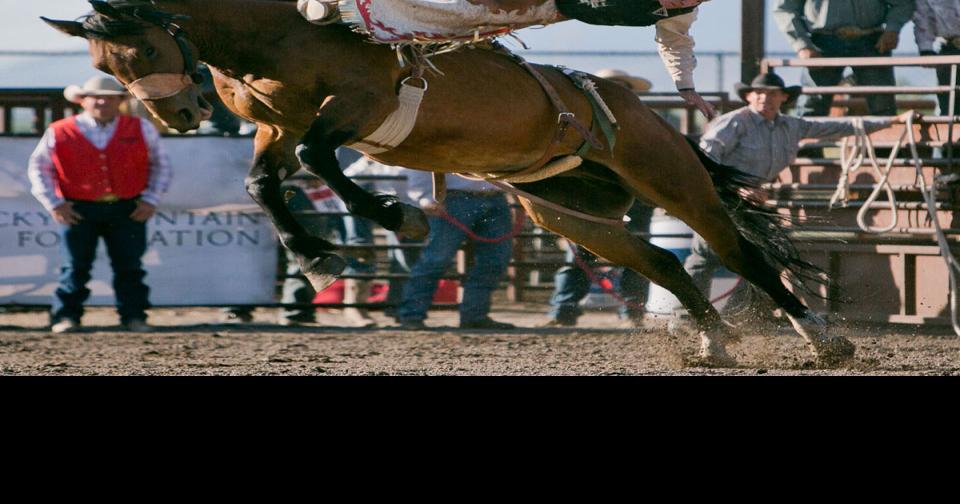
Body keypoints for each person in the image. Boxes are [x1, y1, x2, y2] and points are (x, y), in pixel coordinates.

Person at [675, 72, 918, 326]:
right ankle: (686, 316)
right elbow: (702, 162)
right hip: (719, 197)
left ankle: (740, 314)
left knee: (773, 251)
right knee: (706, 252)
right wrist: (735, 189)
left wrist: (892, 120)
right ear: (749, 96)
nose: (764, 98)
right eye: (759, 93)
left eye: (771, 93)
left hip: (752, 201)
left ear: (784, 97)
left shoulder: (792, 126)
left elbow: (840, 127)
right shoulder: (732, 123)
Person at [297, 0, 717, 119]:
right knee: (462, 10)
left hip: (547, 10)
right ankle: (343, 7)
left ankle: (360, 19)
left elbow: (676, 44)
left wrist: (686, 87)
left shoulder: (678, 14)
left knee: (465, 19)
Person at [27, 76, 172, 334]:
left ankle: (133, 316)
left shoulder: (141, 128)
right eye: (96, 97)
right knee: (74, 266)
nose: (102, 101)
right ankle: (66, 316)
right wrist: (55, 203)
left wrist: (150, 199)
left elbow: (161, 166)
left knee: (130, 266)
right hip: (77, 208)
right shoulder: (59, 130)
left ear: (119, 101)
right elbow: (39, 168)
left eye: (109, 97)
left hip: (127, 207)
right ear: (83, 100)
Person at [543, 69, 655, 328]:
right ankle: (565, 310)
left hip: (623, 196)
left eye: (619, 88)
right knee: (580, 254)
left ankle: (626, 312)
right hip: (597, 195)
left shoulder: (635, 125)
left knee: (633, 256)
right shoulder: (588, 123)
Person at [396, 170, 516, 330]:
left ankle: (472, 315)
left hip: (486, 198)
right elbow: (422, 164)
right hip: (457, 199)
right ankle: (413, 314)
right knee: (437, 259)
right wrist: (425, 197)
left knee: (494, 260)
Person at [773, 0, 915, 117]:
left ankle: (886, 150)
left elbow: (904, 3)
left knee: (883, 106)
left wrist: (892, 29)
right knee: (811, 106)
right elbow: (784, 9)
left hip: (871, 41)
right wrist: (802, 46)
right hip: (822, 42)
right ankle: (807, 151)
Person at [914, 0, 960, 117]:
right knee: (950, 105)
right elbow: (923, 16)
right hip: (950, 49)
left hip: (951, 49)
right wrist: (926, 48)